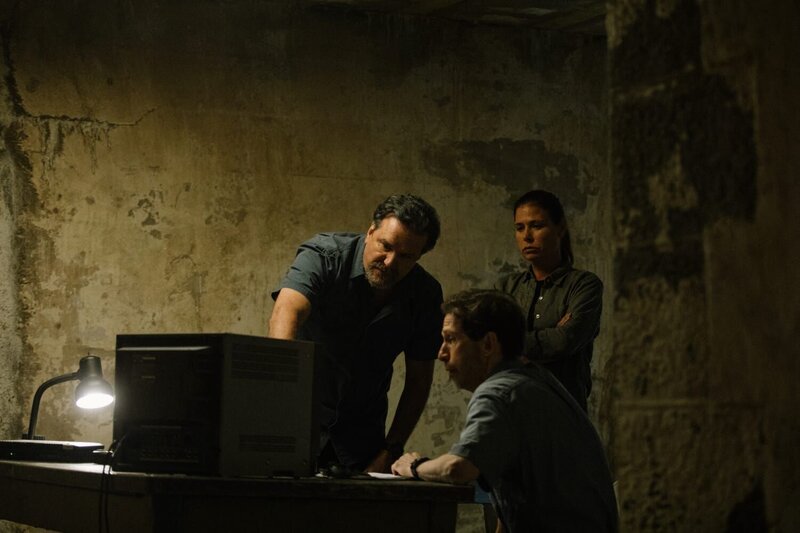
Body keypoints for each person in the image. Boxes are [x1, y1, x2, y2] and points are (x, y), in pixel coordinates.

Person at [391, 289, 618, 533]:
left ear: (488, 344)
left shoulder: (499, 392)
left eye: (451, 339)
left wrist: (413, 466)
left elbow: (458, 468)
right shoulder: (536, 380)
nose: (441, 354)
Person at [269, 194, 443, 473]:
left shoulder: (424, 294)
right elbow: (286, 311)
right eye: (385, 246)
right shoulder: (325, 255)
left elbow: (419, 380)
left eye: (406, 256)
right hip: (297, 424)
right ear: (370, 231)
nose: (389, 262)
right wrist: (283, 405)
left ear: (419, 256)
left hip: (362, 440)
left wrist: (391, 449)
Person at [495, 189, 603, 411]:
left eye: (536, 225)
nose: (527, 236)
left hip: (564, 411)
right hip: (513, 410)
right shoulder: (506, 287)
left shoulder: (583, 285)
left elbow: (565, 340)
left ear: (560, 228)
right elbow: (489, 344)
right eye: (519, 228)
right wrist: (551, 334)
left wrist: (511, 344)